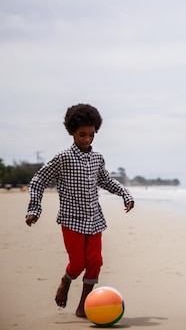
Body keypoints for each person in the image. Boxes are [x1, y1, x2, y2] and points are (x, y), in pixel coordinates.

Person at [25, 103, 134, 317]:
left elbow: (107, 181)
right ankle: (66, 281)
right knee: (77, 263)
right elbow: (38, 180)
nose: (87, 139)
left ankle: (84, 304)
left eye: (92, 135)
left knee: (95, 263)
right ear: (71, 132)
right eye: (82, 134)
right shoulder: (63, 158)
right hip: (71, 220)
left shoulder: (97, 158)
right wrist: (34, 209)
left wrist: (126, 194)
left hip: (95, 220)